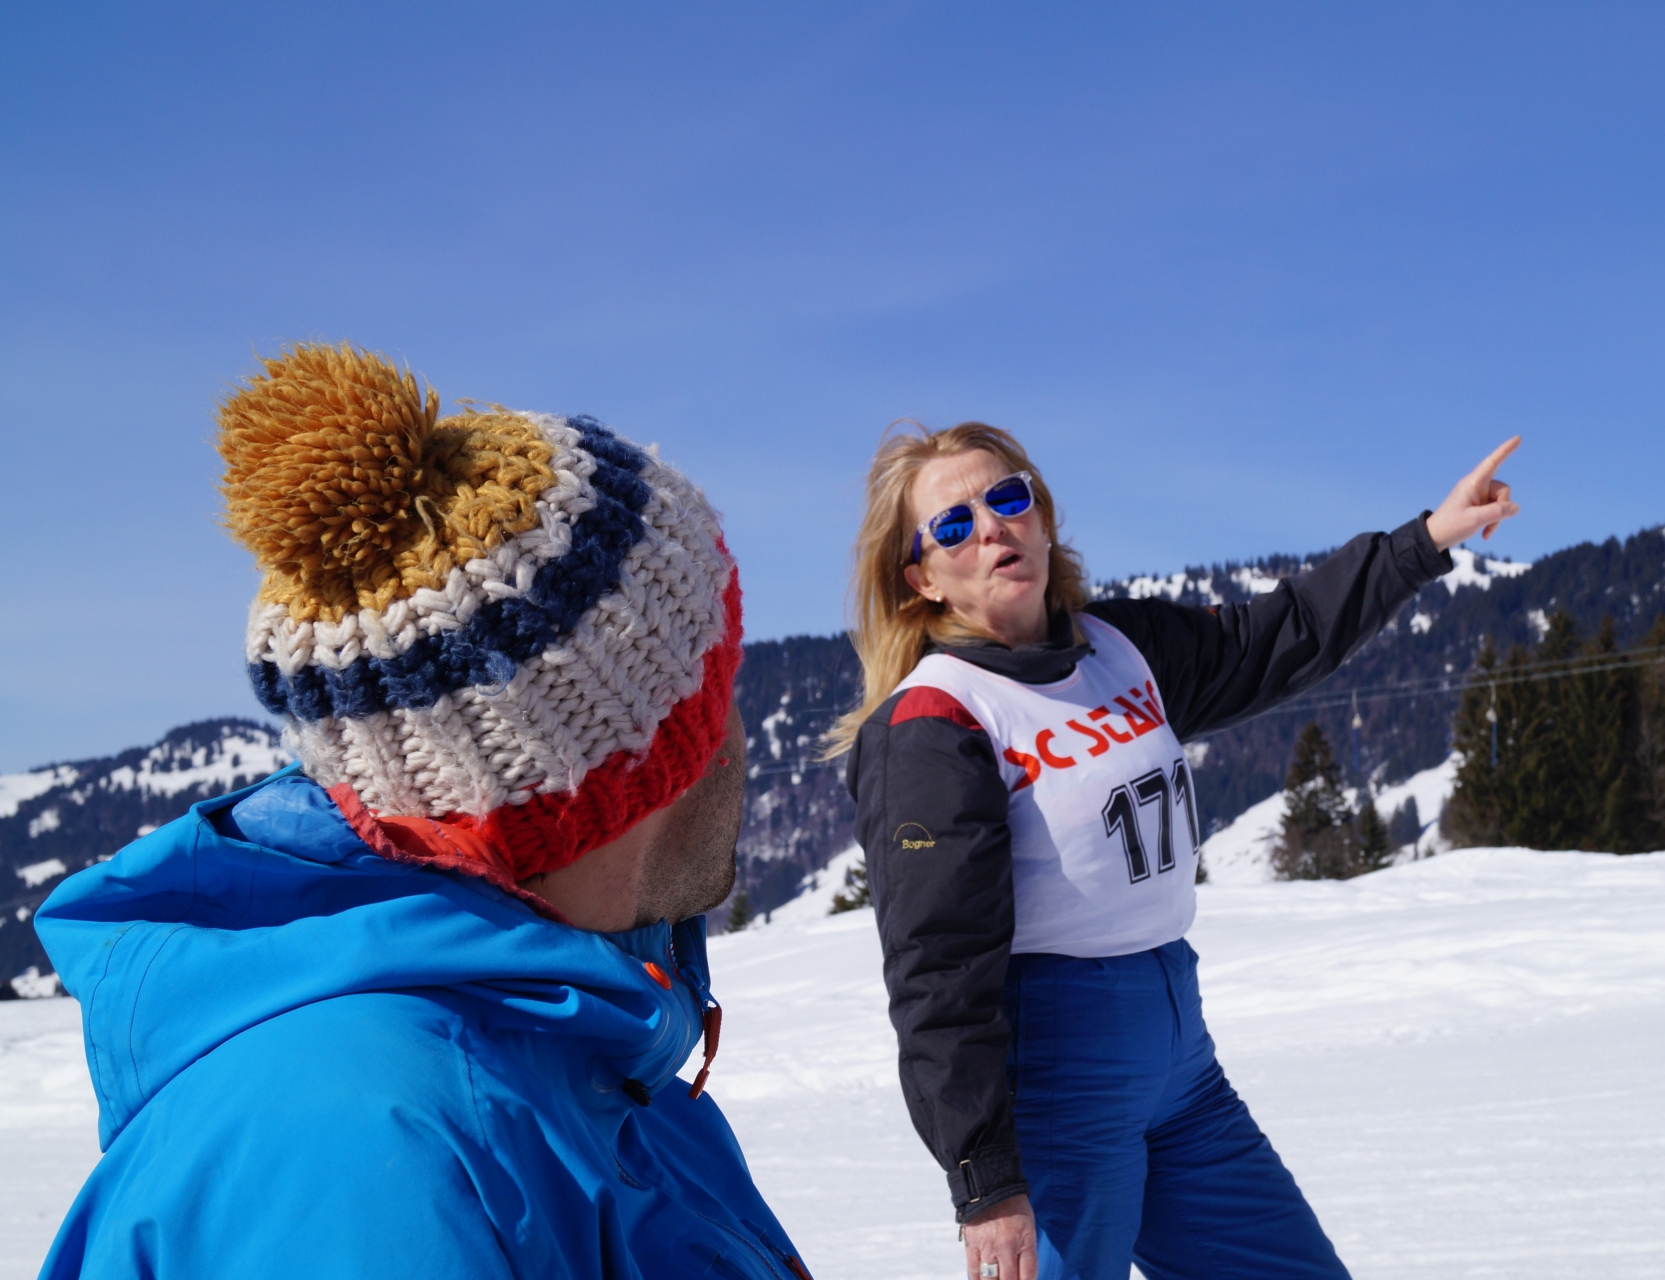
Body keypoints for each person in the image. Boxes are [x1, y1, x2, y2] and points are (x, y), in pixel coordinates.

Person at [35, 343, 813, 1279]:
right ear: (650, 764)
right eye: (722, 680)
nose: (741, 729)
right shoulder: (376, 1158)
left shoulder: (586, 1053)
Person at [833, 421, 1520, 1280]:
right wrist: (984, 1178)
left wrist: (1425, 540)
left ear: (1042, 517)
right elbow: (938, 969)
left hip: (1181, 1063)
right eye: (954, 523)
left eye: (1008, 497)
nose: (993, 527)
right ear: (922, 577)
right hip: (1057, 1081)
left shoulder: (1119, 648)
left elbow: (1279, 634)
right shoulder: (936, 719)